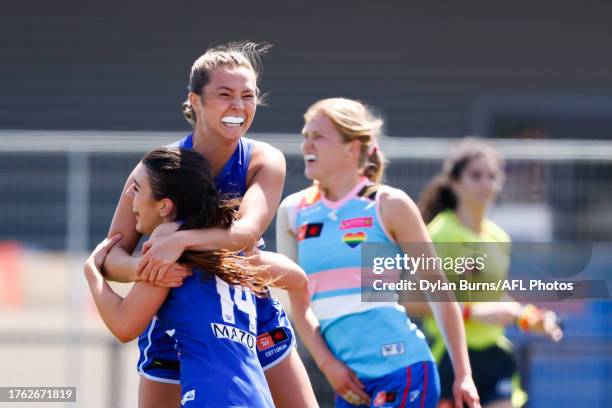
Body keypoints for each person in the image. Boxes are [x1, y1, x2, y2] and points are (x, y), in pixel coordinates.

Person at [101, 42, 316, 408]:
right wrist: (149, 265)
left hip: (249, 312)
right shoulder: (157, 170)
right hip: (177, 321)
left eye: (248, 96)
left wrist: (180, 240)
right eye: (224, 94)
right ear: (195, 101)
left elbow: (246, 233)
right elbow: (111, 255)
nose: (238, 106)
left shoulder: (263, 159)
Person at [276, 98, 480, 408]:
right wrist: (326, 364)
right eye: (305, 135)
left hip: (403, 370)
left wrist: (463, 374)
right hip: (349, 383)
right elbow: (297, 304)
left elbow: (439, 290)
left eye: (317, 136)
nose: (306, 145)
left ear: (352, 146)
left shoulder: (389, 204)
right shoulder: (293, 211)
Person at [86, 147, 278, 407]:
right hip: (258, 397)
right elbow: (297, 276)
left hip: (211, 399)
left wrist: (92, 274)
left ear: (165, 205)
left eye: (138, 188)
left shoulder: (167, 240)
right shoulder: (223, 239)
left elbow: (124, 325)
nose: (130, 194)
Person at [415, 138, 563, 408]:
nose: (485, 184)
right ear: (454, 182)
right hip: (449, 356)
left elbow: (492, 296)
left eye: (491, 176)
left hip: (494, 357)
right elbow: (411, 300)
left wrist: (527, 317)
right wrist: (473, 313)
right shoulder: (440, 233)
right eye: (475, 176)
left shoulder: (499, 237)